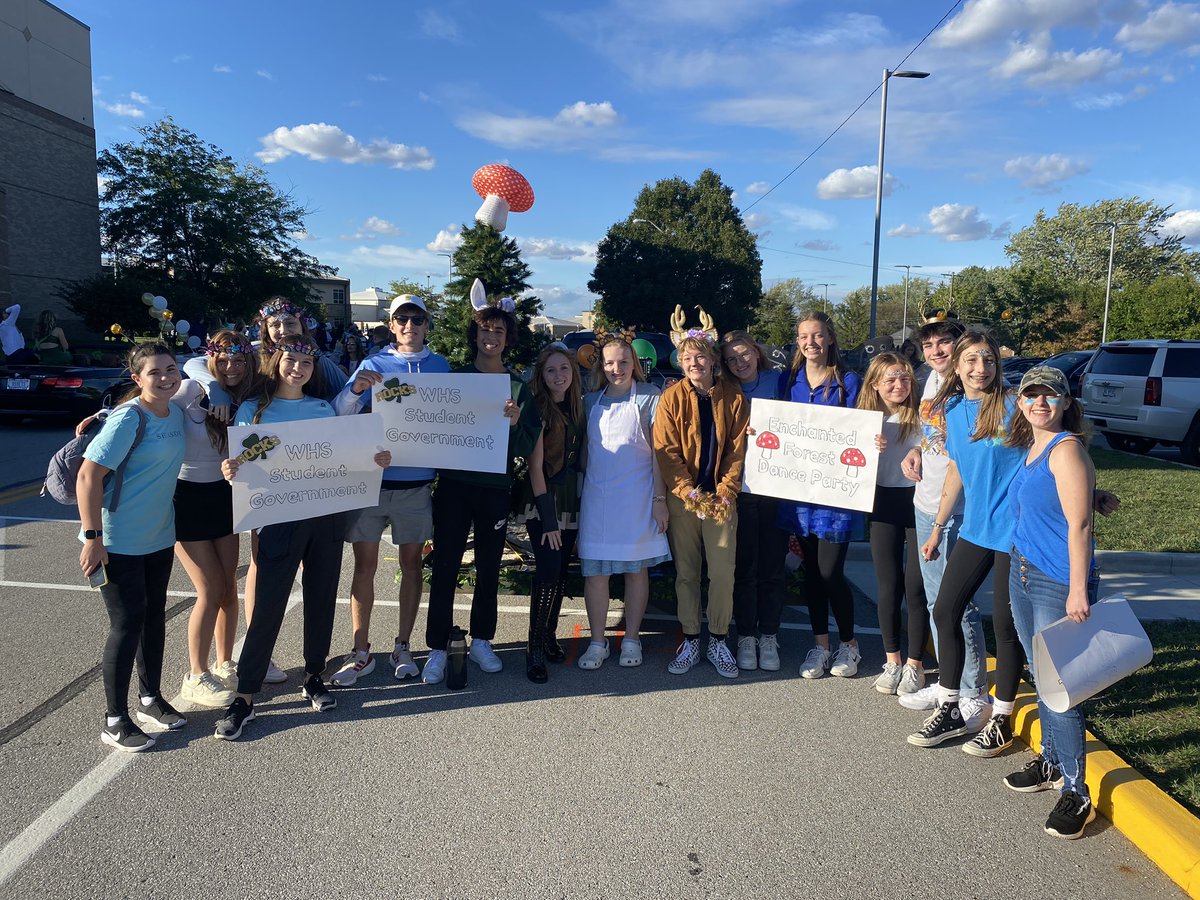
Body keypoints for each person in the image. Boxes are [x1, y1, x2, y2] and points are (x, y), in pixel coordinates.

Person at [215, 336, 390, 740]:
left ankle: (314, 674)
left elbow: (344, 452)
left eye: (306, 362)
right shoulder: (253, 412)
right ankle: (245, 695)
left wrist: (375, 458)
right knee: (269, 605)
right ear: (276, 362)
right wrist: (232, 469)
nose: (298, 368)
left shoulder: (321, 407)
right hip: (278, 518)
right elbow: (243, 463)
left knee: (322, 595)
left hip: (324, 513)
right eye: (291, 360)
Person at [908, 330, 1025, 753]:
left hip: (1016, 531)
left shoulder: (1016, 405)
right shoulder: (953, 409)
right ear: (956, 367)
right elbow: (957, 469)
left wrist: (1090, 493)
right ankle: (952, 704)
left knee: (1005, 625)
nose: (981, 369)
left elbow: (1057, 449)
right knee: (945, 610)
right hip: (975, 528)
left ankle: (1002, 718)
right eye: (972, 361)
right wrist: (939, 526)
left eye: (989, 361)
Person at [330, 295, 450, 686]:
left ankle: (403, 645)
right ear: (392, 324)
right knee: (363, 567)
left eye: (417, 319)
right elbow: (339, 416)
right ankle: (361, 649)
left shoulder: (440, 366)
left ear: (427, 325)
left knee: (411, 566)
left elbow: (454, 420)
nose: (410, 325)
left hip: (416, 486)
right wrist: (354, 391)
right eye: (402, 319)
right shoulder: (373, 364)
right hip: (371, 482)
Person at [421, 298, 541, 684]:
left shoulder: (519, 387)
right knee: (444, 567)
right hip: (455, 486)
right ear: (475, 334)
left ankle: (482, 640)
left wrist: (515, 422)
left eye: (499, 331)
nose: (491, 337)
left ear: (508, 339)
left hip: (494, 489)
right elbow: (433, 428)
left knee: (489, 567)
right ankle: (437, 647)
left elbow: (525, 447)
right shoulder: (456, 381)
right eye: (486, 329)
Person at [1003, 366, 1099, 839]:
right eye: (1031, 395)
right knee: (1041, 675)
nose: (1040, 402)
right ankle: (1051, 763)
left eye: (1050, 396)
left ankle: (1076, 792)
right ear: (1020, 403)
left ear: (1065, 402)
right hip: (1023, 571)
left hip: (1056, 581)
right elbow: (1062, 503)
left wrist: (1079, 589)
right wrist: (1099, 495)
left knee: (1059, 684)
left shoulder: (1066, 448)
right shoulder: (1035, 446)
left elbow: (1079, 526)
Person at [76, 342, 186, 752]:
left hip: (158, 534)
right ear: (137, 380)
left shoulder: (175, 411)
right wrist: (92, 538)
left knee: (152, 617)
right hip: (116, 539)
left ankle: (150, 699)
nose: (166, 377)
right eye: (155, 372)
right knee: (125, 625)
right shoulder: (129, 418)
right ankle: (114, 719)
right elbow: (88, 477)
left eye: (171, 369)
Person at [897, 313, 990, 717]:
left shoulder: (972, 389)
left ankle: (973, 692)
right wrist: (916, 449)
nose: (935, 351)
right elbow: (931, 434)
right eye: (928, 344)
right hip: (925, 501)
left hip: (957, 508)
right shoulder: (932, 381)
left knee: (957, 603)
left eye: (943, 343)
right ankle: (949, 683)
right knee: (938, 599)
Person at [654, 310, 749, 677]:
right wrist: (686, 491)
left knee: (723, 572)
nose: (694, 363)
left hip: (722, 501)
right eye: (687, 358)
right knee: (687, 573)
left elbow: (738, 448)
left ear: (712, 359)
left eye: (701, 357)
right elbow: (666, 450)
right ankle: (691, 637)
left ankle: (719, 639)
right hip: (685, 500)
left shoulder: (733, 397)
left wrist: (726, 490)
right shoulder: (672, 398)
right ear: (681, 362)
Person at [576, 329, 670, 670]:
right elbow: (586, 455)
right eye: (610, 363)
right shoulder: (590, 401)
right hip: (598, 500)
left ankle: (631, 638)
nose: (618, 368)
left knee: (636, 571)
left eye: (624, 362)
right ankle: (597, 642)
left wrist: (660, 499)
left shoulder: (650, 397)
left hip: (637, 498)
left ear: (635, 363)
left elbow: (659, 453)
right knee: (596, 575)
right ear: (602, 365)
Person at [173, 331, 258, 708]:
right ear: (210, 360)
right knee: (207, 589)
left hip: (225, 496)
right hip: (186, 497)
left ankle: (225, 664)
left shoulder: (248, 397)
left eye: (239, 360)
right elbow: (151, 404)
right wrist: (106, 414)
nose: (231, 367)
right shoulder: (191, 389)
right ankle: (196, 674)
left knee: (227, 589)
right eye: (222, 360)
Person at [778, 311, 864, 679]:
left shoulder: (848, 382)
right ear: (797, 342)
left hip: (835, 495)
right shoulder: (787, 381)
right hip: (798, 491)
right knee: (811, 573)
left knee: (830, 572)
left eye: (816, 335)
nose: (810, 342)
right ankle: (820, 646)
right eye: (803, 337)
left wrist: (871, 439)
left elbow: (862, 426)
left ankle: (849, 644)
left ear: (830, 339)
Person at [856, 352, 927, 694]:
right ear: (874, 385)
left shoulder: (925, 414)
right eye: (890, 380)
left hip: (919, 504)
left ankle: (915, 664)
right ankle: (892, 660)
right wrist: (868, 452)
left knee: (916, 585)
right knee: (888, 584)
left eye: (904, 379)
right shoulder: (862, 420)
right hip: (882, 502)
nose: (899, 386)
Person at [514, 343, 585, 682]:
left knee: (560, 573)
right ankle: (534, 649)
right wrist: (548, 519)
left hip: (571, 496)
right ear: (541, 376)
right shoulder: (538, 409)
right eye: (551, 370)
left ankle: (549, 634)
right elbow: (536, 466)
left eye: (564, 369)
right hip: (544, 498)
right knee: (547, 571)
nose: (559, 376)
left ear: (573, 373)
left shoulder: (576, 407)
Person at [720, 331, 788, 672]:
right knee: (744, 567)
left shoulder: (779, 381)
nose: (739, 362)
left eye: (744, 354)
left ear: (756, 352)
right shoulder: (725, 391)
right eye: (732, 359)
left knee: (773, 567)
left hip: (776, 486)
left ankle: (769, 635)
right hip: (741, 488)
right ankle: (746, 634)